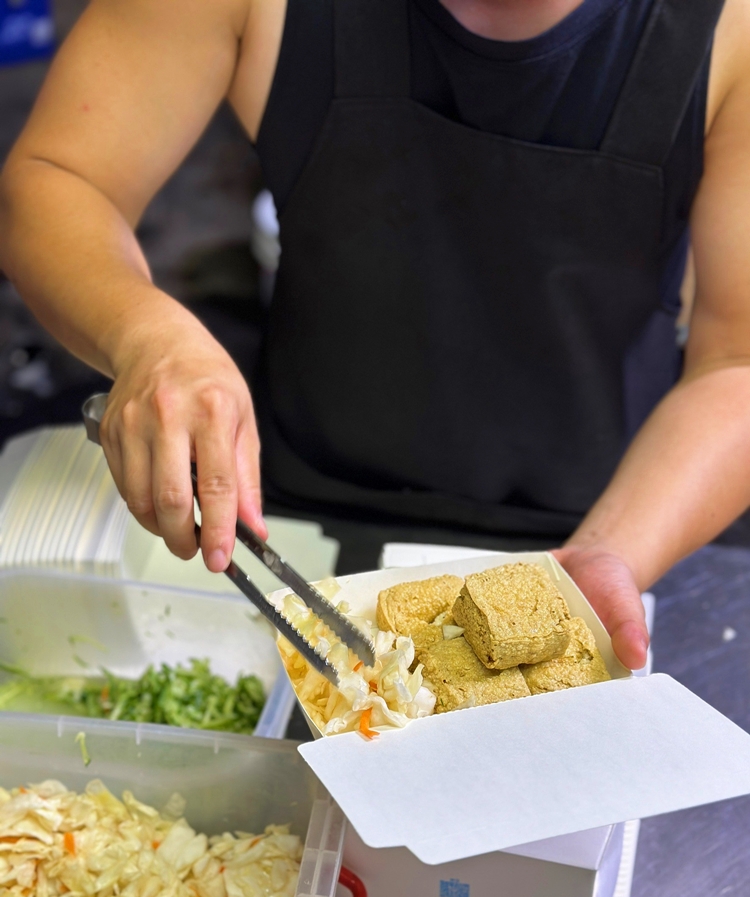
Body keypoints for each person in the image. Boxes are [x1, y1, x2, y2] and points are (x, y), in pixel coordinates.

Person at [2, 0, 750, 675]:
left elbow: (737, 359)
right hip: (297, 524)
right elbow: (60, 174)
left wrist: (613, 552)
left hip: (619, 527)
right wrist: (151, 339)